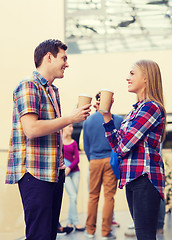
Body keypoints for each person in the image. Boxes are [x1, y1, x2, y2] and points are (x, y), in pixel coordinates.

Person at [5, 39, 91, 240]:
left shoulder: (52, 90)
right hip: (35, 173)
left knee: (49, 234)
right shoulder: (28, 85)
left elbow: (50, 128)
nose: (67, 64)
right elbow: (32, 129)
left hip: (53, 171)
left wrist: (72, 116)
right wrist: (70, 118)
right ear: (49, 57)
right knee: (39, 235)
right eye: (64, 58)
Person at [100, 59, 166, 240]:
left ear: (146, 78)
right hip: (133, 179)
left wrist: (119, 140)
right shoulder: (134, 111)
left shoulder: (151, 108)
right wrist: (106, 115)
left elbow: (122, 146)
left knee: (145, 236)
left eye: (132, 73)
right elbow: (116, 147)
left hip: (145, 178)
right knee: (142, 235)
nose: (127, 77)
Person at [83, 92, 123, 239]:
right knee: (109, 197)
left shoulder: (88, 121)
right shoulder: (118, 119)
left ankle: (90, 231)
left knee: (93, 196)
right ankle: (106, 231)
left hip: (94, 161)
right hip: (111, 161)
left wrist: (92, 159)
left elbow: (86, 145)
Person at [63, 124, 85, 231]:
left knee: (74, 198)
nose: (71, 129)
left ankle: (69, 223)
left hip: (75, 172)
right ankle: (76, 222)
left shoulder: (74, 142)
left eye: (72, 127)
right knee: (73, 196)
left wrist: (69, 168)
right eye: (69, 127)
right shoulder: (59, 142)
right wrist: (65, 169)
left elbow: (77, 159)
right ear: (63, 128)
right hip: (65, 174)